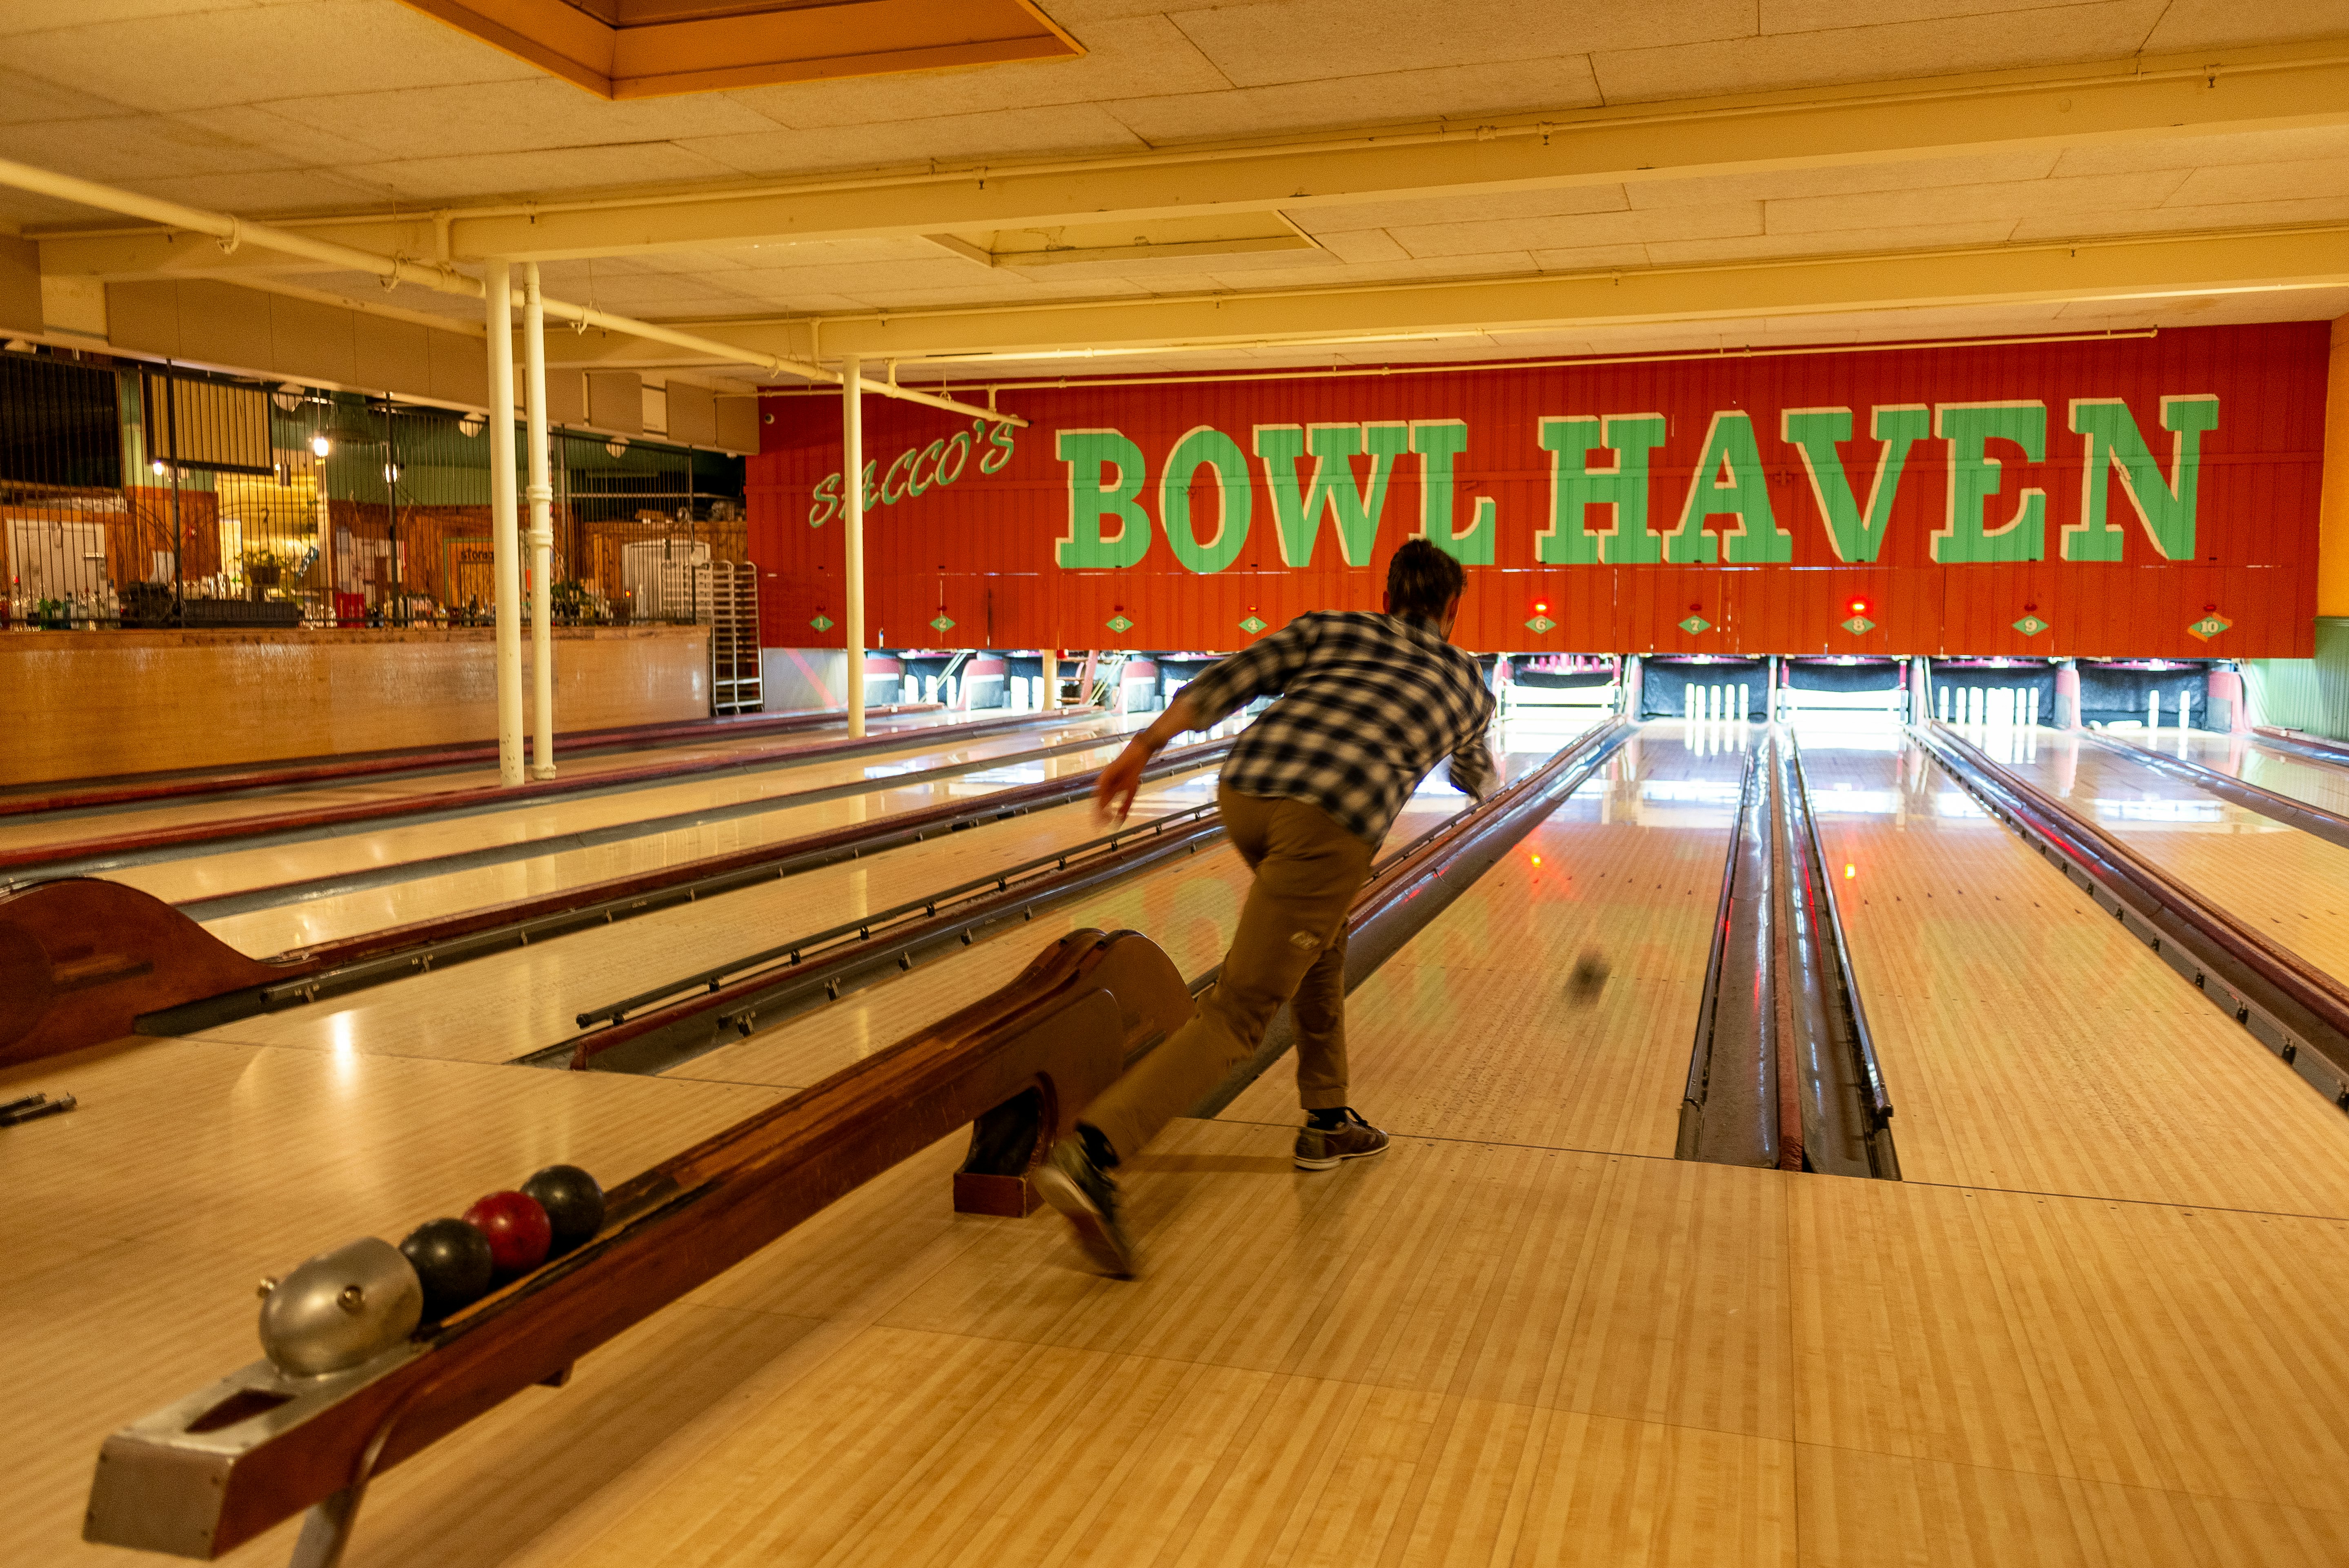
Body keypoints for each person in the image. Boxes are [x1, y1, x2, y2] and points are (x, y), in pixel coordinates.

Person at [1032, 538, 1498, 1276]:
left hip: (1246, 788)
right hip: (1330, 819)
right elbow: (1476, 777)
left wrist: (1144, 745)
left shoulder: (1335, 627)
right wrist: (1492, 790)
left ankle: (1325, 1114)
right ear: (1451, 608)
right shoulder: (1470, 684)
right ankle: (1091, 1153)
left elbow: (1231, 679)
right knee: (1241, 1011)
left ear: (1386, 595)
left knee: (1322, 935)